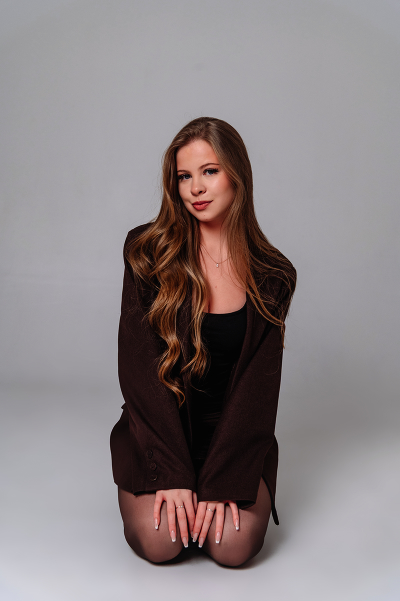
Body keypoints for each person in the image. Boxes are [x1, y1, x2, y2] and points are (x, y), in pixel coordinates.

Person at [110, 116, 296, 567]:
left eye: (210, 171)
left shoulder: (274, 275)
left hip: (232, 437)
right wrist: (172, 472)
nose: (195, 188)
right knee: (162, 543)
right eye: (184, 176)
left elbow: (257, 392)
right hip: (160, 430)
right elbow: (139, 369)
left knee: (231, 548)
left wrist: (224, 480)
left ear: (237, 175)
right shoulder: (146, 253)